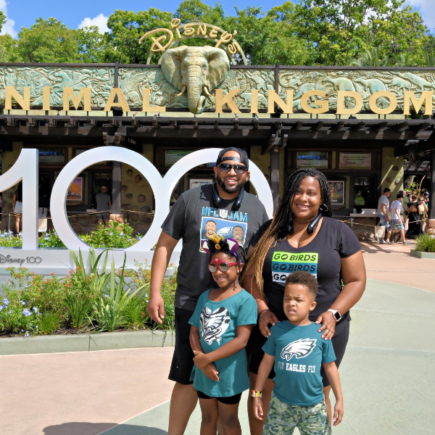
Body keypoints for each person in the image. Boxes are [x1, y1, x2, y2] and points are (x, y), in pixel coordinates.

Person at [148, 147, 269, 435]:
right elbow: (164, 245)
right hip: (194, 301)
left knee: (231, 377)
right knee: (188, 375)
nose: (232, 172)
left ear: (247, 174)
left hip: (238, 307)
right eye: (226, 166)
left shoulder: (255, 207)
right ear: (215, 170)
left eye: (239, 168)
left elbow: (259, 258)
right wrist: (155, 292)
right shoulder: (191, 200)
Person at [242, 167, 366, 435]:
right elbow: (249, 275)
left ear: (322, 199)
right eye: (297, 191)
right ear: (288, 196)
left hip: (323, 330)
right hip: (271, 328)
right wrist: (262, 309)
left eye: (311, 193)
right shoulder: (270, 230)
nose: (303, 198)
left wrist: (334, 313)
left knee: (316, 394)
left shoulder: (338, 232)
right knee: (262, 391)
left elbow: (356, 281)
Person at [253, 271, 343, 435]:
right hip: (279, 406)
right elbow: (266, 363)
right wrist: (257, 394)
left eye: (298, 300)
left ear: (312, 305)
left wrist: (339, 399)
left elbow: (330, 367)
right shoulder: (277, 330)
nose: (291, 303)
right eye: (287, 299)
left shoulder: (321, 333)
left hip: (314, 409)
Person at [189, 236, 257, 435]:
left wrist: (205, 360)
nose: (218, 272)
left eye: (224, 266)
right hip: (204, 372)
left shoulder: (246, 300)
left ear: (239, 267)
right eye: (213, 267)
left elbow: (241, 340)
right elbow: (194, 329)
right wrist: (202, 361)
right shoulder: (205, 297)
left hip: (228, 375)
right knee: (207, 418)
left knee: (228, 420)